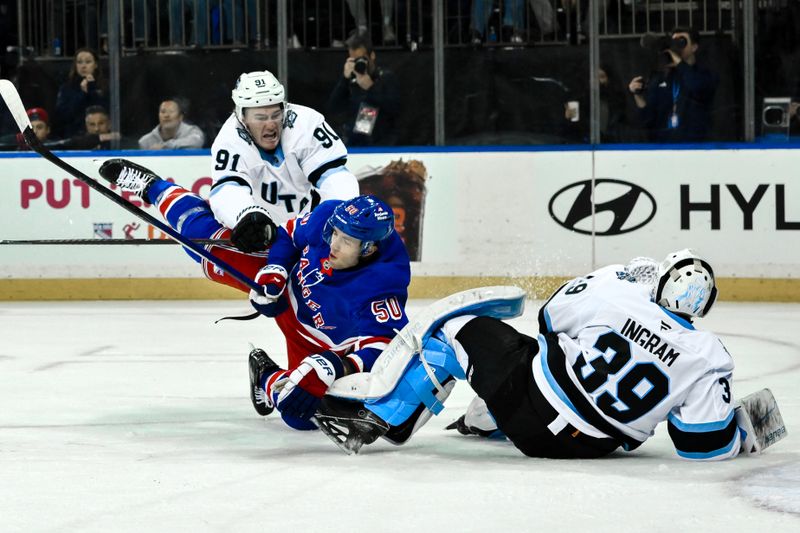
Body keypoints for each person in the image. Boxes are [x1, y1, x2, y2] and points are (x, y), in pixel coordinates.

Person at [316, 250, 757, 461]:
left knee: (453, 330)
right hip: (594, 448)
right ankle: (483, 419)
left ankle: (390, 418)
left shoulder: (621, 296)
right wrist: (738, 436)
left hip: (532, 409)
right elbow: (701, 446)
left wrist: (619, 277)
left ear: (660, 283)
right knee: (523, 361)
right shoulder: (708, 355)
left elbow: (552, 317)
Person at [96, 157, 410, 431]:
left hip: (316, 340)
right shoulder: (330, 217)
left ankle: (265, 375)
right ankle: (155, 188)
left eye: (347, 242)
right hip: (288, 282)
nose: (334, 245)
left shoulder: (383, 283)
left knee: (299, 414)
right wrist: (274, 270)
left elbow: (384, 347)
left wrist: (334, 367)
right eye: (335, 235)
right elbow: (288, 234)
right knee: (206, 245)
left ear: (369, 249)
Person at [209, 69, 359, 254]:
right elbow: (227, 189)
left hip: (309, 227)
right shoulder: (229, 140)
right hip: (265, 234)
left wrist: (335, 215)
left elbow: (335, 176)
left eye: (275, 115)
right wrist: (246, 215)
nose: (271, 124)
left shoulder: (306, 124)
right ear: (242, 118)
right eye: (260, 118)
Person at [628, 27, 718, 143]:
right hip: (664, 145)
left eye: (681, 42)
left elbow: (696, 86)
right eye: (673, 42)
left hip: (695, 146)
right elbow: (648, 118)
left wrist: (676, 58)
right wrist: (638, 96)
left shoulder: (704, 73)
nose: (676, 46)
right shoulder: (661, 77)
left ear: (694, 47)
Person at [327, 31, 400, 146]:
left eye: (362, 59)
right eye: (354, 60)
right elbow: (333, 108)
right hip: (355, 142)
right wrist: (344, 79)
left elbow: (394, 109)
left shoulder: (385, 77)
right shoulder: (351, 80)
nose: (359, 64)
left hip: (381, 143)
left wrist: (371, 87)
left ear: (372, 56)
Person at [54, 47, 108, 138]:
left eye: (88, 62)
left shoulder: (105, 85)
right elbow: (63, 115)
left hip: (100, 134)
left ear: (96, 64)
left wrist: (91, 90)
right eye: (79, 62)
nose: (83, 66)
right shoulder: (66, 87)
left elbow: (106, 111)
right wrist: (83, 94)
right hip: (74, 136)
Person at [138, 97, 205, 150]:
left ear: (180, 117)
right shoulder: (145, 142)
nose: (166, 115)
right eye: (163, 112)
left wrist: (165, 146)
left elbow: (197, 142)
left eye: (171, 111)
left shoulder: (193, 132)